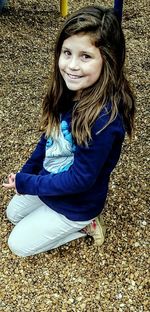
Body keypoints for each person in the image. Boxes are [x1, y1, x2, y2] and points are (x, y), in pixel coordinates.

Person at [3, 5, 135, 257]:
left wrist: (30, 183)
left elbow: (80, 179)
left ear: (108, 59)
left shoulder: (104, 119)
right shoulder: (66, 92)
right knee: (13, 214)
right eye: (67, 52)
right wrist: (26, 174)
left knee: (18, 245)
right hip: (51, 181)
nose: (72, 65)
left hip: (77, 203)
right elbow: (48, 140)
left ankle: (86, 224)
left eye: (85, 56)